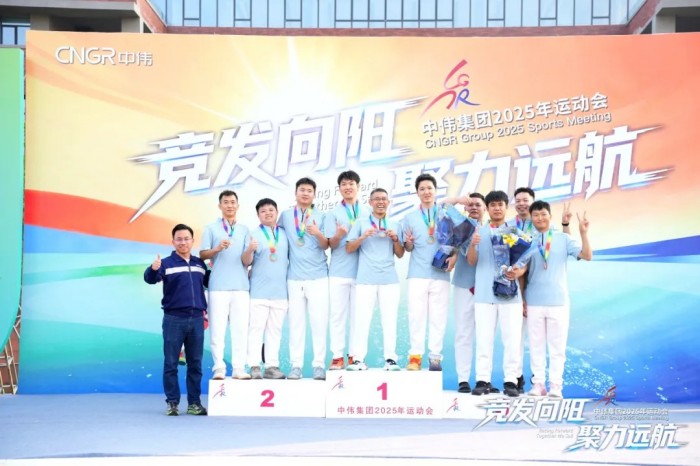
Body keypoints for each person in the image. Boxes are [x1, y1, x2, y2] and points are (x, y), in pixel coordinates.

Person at [521, 201, 592, 398]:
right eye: (536, 215)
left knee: (557, 348)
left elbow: (587, 255)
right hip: (533, 301)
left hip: (558, 302)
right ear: (531, 218)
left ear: (550, 216)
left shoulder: (563, 238)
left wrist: (583, 233)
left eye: (543, 214)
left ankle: (556, 386)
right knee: (535, 346)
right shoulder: (526, 240)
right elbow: (522, 272)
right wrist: (523, 299)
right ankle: (538, 385)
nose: (540, 218)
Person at [144, 224, 208, 416]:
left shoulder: (199, 264)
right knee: (171, 363)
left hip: (197, 319)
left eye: (186, 238)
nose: (183, 242)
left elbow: (210, 282)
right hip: (174, 319)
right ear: (173, 242)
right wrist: (152, 269)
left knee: (195, 364)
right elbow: (150, 279)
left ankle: (194, 404)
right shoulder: (165, 263)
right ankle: (172, 403)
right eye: (179, 239)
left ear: (192, 241)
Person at [467, 190, 527, 397]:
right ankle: (482, 380)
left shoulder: (516, 232)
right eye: (492, 205)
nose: (497, 208)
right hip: (484, 295)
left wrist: (518, 272)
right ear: (487, 208)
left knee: (512, 340)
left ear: (505, 207)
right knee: (484, 340)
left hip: (511, 295)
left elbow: (524, 263)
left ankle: (511, 381)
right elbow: (471, 261)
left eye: (500, 204)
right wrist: (473, 244)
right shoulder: (478, 232)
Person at [345, 188, 404, 371]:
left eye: (384, 199)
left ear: (388, 202)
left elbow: (400, 254)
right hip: (365, 279)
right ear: (370, 202)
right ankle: (358, 359)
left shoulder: (395, 224)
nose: (380, 202)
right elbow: (349, 248)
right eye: (377, 199)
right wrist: (363, 237)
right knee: (361, 320)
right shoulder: (361, 223)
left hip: (389, 279)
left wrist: (396, 239)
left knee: (390, 320)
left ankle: (390, 359)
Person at [401, 173, 455, 371]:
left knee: (438, 317)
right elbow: (407, 248)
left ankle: (435, 357)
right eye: (422, 189)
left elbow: (457, 240)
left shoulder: (446, 214)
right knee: (416, 316)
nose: (426, 192)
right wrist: (408, 242)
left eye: (429, 188)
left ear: (436, 191)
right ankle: (415, 356)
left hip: (440, 273)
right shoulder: (410, 218)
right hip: (417, 274)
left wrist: (455, 256)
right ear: (417, 193)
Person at [278, 177, 329, 381]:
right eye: (302, 190)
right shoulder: (286, 215)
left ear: (314, 194)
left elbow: (326, 245)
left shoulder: (322, 216)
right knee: (296, 324)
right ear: (296, 193)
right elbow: (277, 240)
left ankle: (319, 365)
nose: (305, 193)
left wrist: (317, 233)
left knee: (319, 323)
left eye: (309, 190)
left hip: (318, 276)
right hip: (294, 278)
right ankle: (296, 366)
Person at [199, 190, 253, 380]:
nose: (230, 205)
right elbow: (202, 254)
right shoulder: (210, 228)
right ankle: (219, 368)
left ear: (238, 205)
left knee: (240, 330)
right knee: (217, 330)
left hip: (241, 287)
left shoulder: (245, 229)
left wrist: (250, 250)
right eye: (226, 202)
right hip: (218, 287)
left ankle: (239, 368)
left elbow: (247, 261)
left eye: (232, 202)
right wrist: (216, 249)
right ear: (220, 205)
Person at [324, 171, 368, 370]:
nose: (348, 187)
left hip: (363, 272)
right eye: (344, 184)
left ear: (358, 186)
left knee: (359, 317)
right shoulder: (332, 214)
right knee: (337, 316)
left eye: (351, 183)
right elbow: (330, 245)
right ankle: (337, 356)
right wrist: (339, 235)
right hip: (339, 272)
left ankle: (355, 356)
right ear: (339, 188)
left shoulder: (368, 211)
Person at [244, 198, 289, 380]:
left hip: (280, 293)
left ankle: (271, 366)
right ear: (258, 215)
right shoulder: (252, 234)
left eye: (271, 210)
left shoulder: (284, 234)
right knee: (256, 329)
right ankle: (254, 365)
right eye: (263, 211)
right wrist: (249, 249)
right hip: (258, 292)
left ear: (277, 212)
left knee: (275, 331)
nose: (268, 213)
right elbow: (246, 261)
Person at [451, 193, 487, 393]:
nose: (474, 207)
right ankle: (463, 379)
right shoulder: (461, 227)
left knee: (485, 335)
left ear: (485, 208)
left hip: (487, 289)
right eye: (470, 205)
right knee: (463, 333)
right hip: (464, 286)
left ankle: (484, 379)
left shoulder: (493, 229)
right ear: (465, 208)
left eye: (478, 205)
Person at [506, 187, 536, 393]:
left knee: (536, 337)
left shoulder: (542, 225)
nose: (522, 204)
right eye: (518, 200)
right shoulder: (507, 227)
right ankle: (516, 376)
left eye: (525, 200)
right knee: (515, 334)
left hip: (538, 285)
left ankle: (538, 378)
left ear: (533, 201)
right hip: (514, 284)